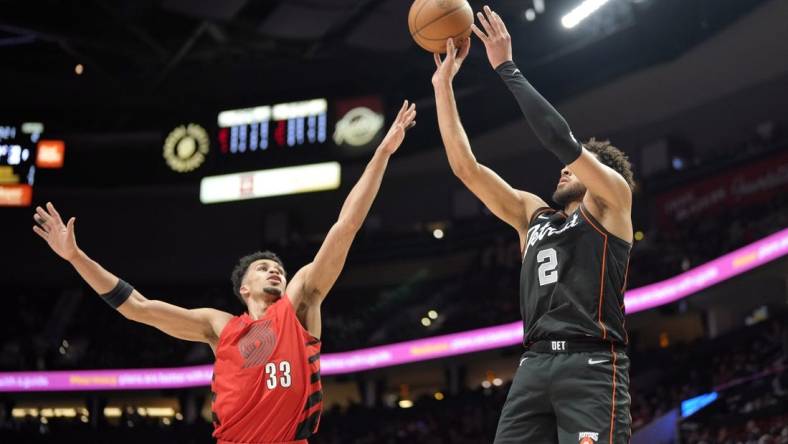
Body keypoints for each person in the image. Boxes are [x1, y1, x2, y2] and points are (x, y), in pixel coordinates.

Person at [32, 101, 417, 444]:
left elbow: (344, 227)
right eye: (264, 268)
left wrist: (381, 153)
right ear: (244, 287)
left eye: (278, 268)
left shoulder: (300, 301)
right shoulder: (220, 327)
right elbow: (138, 307)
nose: (276, 272)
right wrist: (76, 257)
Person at [431, 6, 635, 443]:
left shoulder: (612, 202)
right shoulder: (532, 215)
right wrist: (442, 87)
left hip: (592, 364)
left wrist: (506, 67)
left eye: (574, 168)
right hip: (533, 365)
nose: (562, 170)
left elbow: (561, 140)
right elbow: (466, 169)